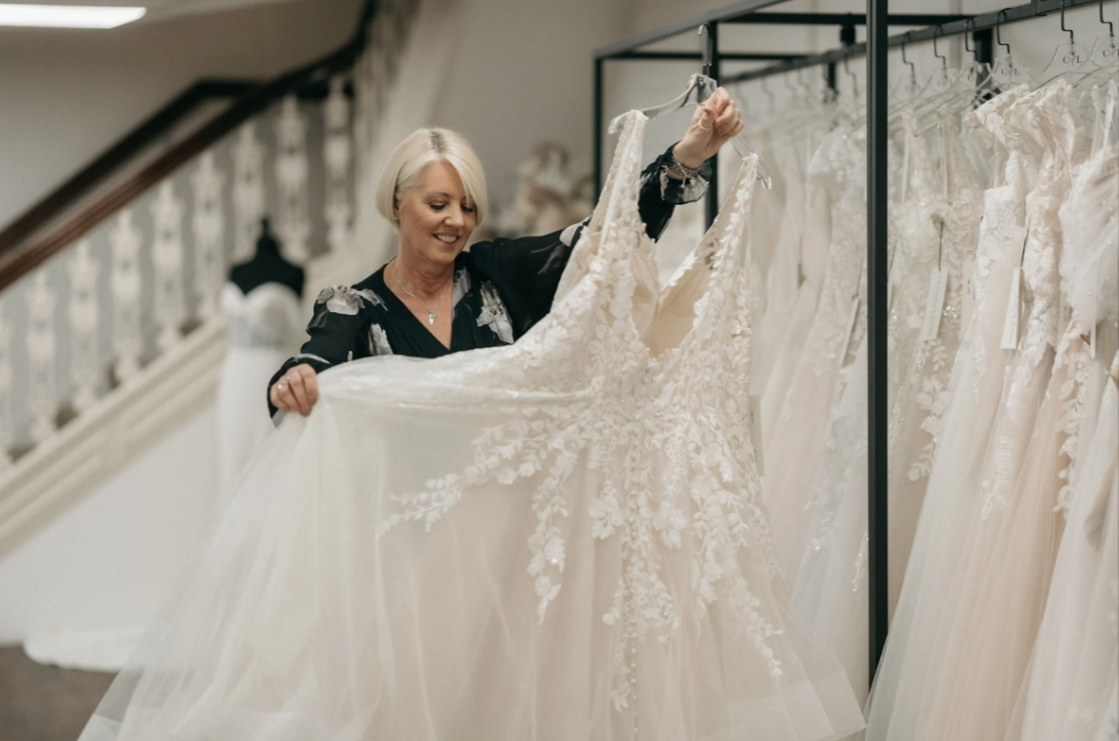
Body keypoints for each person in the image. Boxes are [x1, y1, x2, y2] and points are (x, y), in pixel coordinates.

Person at [268, 88, 743, 417]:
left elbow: (601, 238)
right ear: (396, 201)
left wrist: (685, 158)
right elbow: (319, 358)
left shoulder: (498, 273)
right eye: (438, 204)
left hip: (504, 521)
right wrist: (299, 375)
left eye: (468, 206)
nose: (456, 220)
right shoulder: (354, 308)